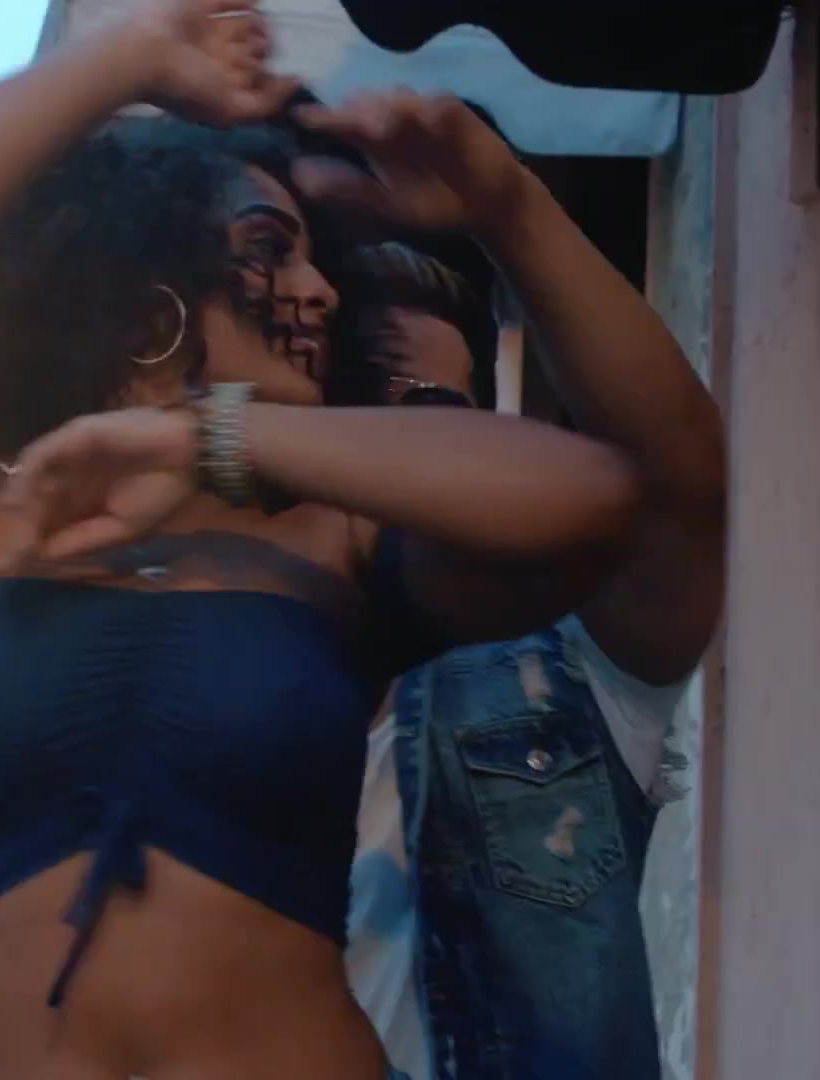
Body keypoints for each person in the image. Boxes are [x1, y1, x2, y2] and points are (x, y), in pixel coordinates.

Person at [0, 4, 652, 1078]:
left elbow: (596, 496)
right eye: (271, 250)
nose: (321, 289)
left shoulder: (333, 536)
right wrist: (123, 61)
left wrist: (214, 436)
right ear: (148, 306)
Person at [297, 100, 727, 1079]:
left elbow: (675, 494)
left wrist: (509, 209)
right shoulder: (185, 684)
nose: (440, 454)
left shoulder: (549, 680)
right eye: (390, 415)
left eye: (454, 410)